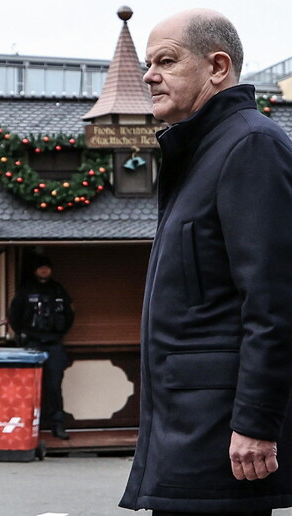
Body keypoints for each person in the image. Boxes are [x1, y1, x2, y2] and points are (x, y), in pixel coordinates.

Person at [120, 9, 292, 514]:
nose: (150, 75)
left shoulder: (250, 145)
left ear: (217, 67)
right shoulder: (200, 150)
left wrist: (256, 423)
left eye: (167, 61)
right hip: (188, 427)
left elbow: (275, 301)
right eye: (149, 63)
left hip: (222, 436)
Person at [7, 253, 74, 440]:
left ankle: (57, 425)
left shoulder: (58, 290)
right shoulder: (26, 291)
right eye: (40, 267)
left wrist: (59, 335)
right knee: (28, 388)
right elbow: (14, 317)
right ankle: (27, 426)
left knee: (54, 387)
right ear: (34, 270)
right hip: (32, 344)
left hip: (53, 344)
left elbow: (69, 315)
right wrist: (23, 336)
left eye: (47, 266)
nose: (44, 270)